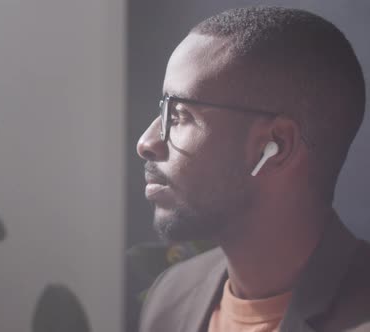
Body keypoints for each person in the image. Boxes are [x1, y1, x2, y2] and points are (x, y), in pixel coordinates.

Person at [136, 6, 370, 332]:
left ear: (276, 146)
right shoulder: (170, 297)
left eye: (179, 116)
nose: (146, 142)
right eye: (163, 110)